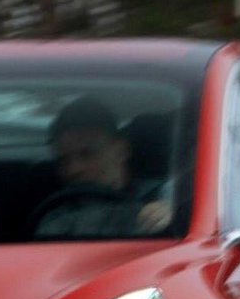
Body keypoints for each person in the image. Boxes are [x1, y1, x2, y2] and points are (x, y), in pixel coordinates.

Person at [34, 95, 172, 237]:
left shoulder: (164, 196)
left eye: (87, 154)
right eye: (63, 160)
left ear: (121, 150)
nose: (73, 169)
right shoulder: (58, 216)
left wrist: (167, 221)